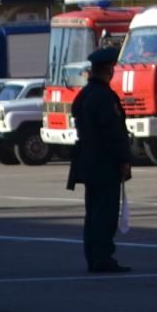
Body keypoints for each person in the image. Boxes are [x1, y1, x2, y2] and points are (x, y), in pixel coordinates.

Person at [67, 46, 133, 273]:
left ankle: (93, 257)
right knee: (105, 213)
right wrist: (124, 159)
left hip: (87, 161)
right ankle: (103, 258)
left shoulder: (83, 95)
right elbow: (114, 132)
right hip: (105, 162)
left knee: (93, 212)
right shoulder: (105, 97)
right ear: (107, 69)